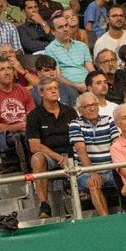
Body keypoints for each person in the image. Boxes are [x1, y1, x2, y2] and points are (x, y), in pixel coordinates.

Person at [26, 78, 77, 218]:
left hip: (72, 153)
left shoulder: (70, 111)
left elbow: (78, 136)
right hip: (50, 156)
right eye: (49, 89)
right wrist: (59, 158)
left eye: (56, 88)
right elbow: (34, 146)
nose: (54, 91)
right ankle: (44, 204)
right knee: (37, 158)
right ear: (41, 93)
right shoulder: (34, 116)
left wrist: (70, 156)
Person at [69, 92, 117, 216]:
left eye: (94, 105)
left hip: (111, 169)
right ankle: (106, 219)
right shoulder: (75, 124)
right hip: (87, 171)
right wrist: (93, 172)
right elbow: (81, 151)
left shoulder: (109, 120)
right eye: (87, 106)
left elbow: (117, 144)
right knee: (93, 182)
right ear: (80, 110)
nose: (92, 108)